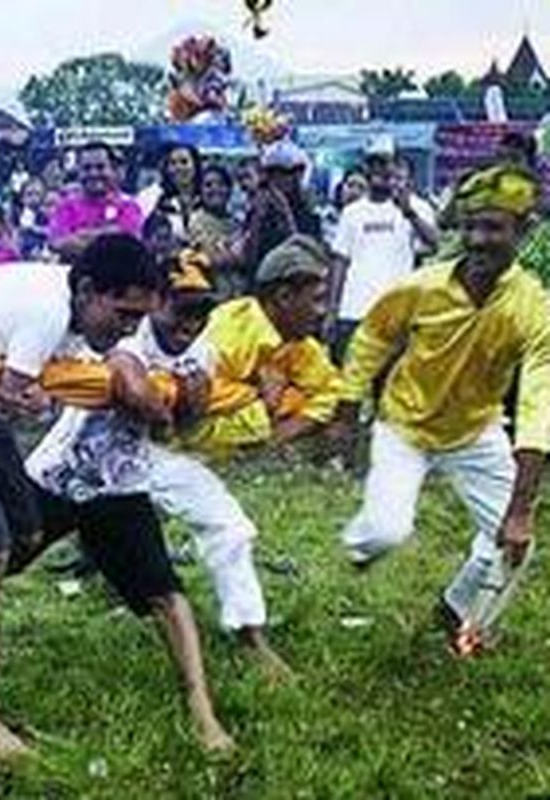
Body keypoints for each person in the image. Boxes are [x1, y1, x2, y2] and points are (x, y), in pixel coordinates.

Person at [0, 234, 162, 758]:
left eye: (138, 319)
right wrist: (33, 403)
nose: (129, 329)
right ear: (88, 290)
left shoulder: (68, 307)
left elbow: (14, 405)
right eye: (124, 314)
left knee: (24, 530)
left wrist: (33, 399)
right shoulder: (47, 312)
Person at [330, 164, 550, 652]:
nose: (478, 239)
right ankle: (361, 546)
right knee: (387, 532)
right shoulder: (422, 286)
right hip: (405, 426)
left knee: (516, 542)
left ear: (522, 230)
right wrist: (347, 407)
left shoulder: (533, 307)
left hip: (475, 430)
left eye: (492, 227)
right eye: (470, 226)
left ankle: (460, 616)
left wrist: (520, 508)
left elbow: (539, 405)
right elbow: (373, 336)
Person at [188, 235, 342, 454]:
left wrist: (293, 426)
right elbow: (195, 410)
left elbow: (333, 390)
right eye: (317, 299)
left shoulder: (298, 339)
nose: (323, 312)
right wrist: (263, 399)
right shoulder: (229, 333)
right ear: (284, 297)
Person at [329, 152, 439, 363]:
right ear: (367, 170)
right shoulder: (351, 212)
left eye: (386, 164)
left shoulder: (418, 207)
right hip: (354, 311)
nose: (380, 170)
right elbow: (340, 261)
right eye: (375, 164)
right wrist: (332, 310)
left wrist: (409, 213)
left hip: (397, 312)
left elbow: (435, 244)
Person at [242, 141, 323, 285]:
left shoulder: (308, 213)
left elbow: (311, 253)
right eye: (276, 173)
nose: (283, 179)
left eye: (289, 173)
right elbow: (250, 254)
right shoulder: (258, 209)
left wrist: (286, 214)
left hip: (298, 285)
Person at [48, 142, 144, 260]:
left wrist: (80, 235)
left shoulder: (128, 207)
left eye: (100, 167)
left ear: (113, 170)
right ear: (78, 171)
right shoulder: (66, 206)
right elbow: (57, 243)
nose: (93, 173)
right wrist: (109, 235)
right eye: (86, 168)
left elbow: (129, 245)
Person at [187, 163, 242, 296]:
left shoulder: (237, 222)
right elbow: (213, 259)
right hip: (211, 296)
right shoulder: (196, 221)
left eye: (221, 184)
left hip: (240, 294)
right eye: (208, 185)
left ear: (229, 189)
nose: (215, 189)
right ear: (200, 191)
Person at [157, 143, 202, 239]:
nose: (178, 167)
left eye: (184, 162)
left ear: (195, 166)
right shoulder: (159, 201)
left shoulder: (207, 199)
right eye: (173, 163)